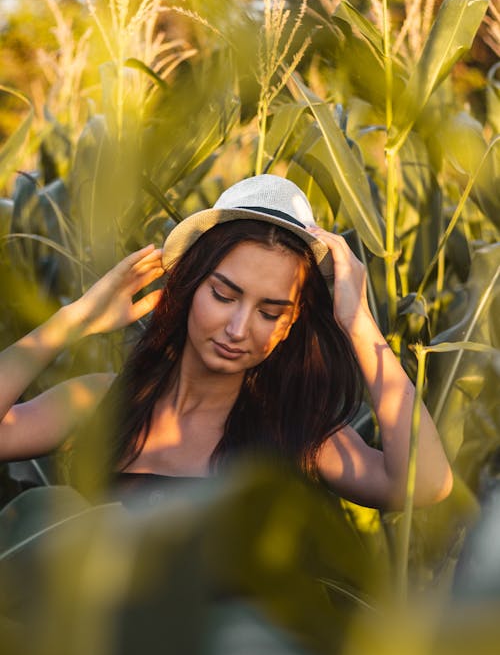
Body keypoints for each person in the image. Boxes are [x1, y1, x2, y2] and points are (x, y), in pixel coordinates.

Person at [0, 174, 452, 509]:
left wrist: (358, 324)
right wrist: (71, 320)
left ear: (293, 322)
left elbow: (426, 485)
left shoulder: (294, 432)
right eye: (223, 295)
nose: (238, 328)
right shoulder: (99, 401)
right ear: (189, 286)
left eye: (271, 312)